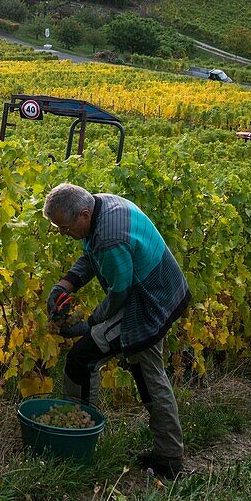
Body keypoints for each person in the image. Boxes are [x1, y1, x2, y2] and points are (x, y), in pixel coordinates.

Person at [44, 182, 191, 478]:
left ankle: (78, 448)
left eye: (65, 228)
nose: (65, 234)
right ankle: (168, 453)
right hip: (156, 290)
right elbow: (91, 255)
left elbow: (119, 294)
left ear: (84, 215)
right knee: (145, 371)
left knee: (84, 360)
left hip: (148, 302)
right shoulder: (101, 206)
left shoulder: (110, 236)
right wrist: (66, 284)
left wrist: (87, 326)